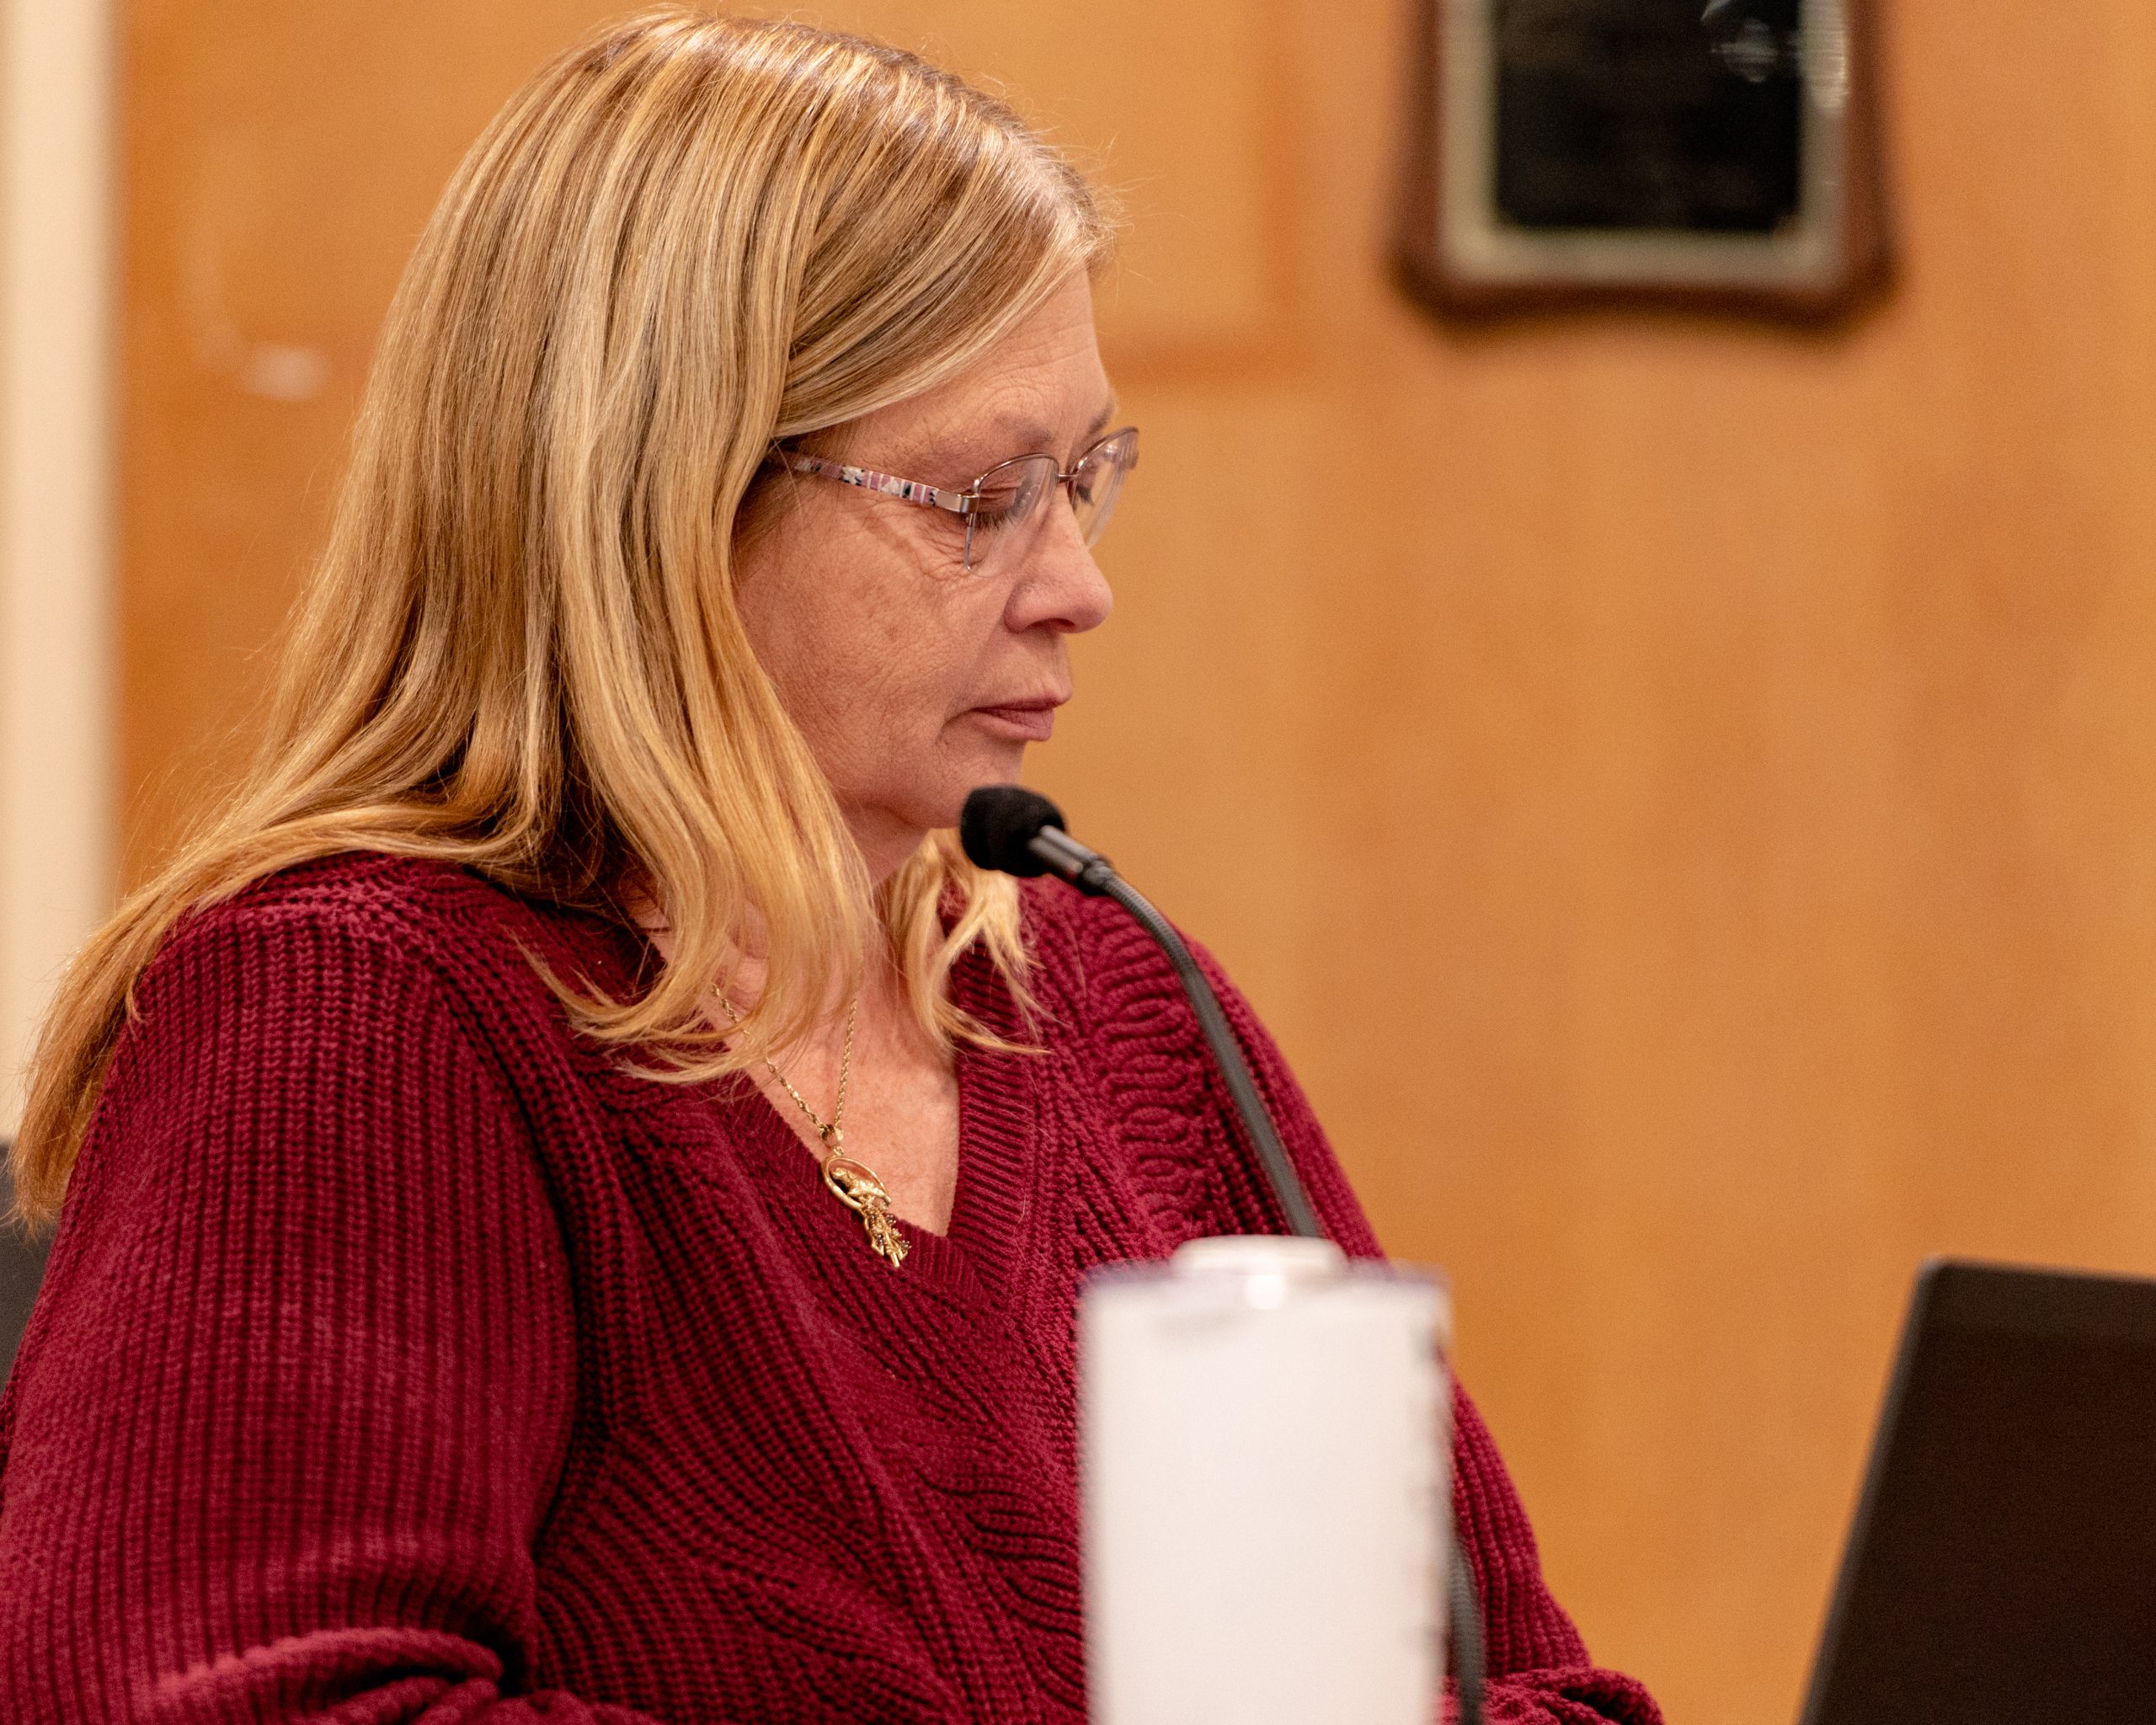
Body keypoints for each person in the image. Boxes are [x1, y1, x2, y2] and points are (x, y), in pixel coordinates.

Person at [0, 11, 1660, 1722]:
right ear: (661, 498)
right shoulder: (356, 1013)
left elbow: (1531, 1686)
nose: (1077, 587)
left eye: (1084, 480)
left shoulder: (1111, 1002)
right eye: (980, 498)